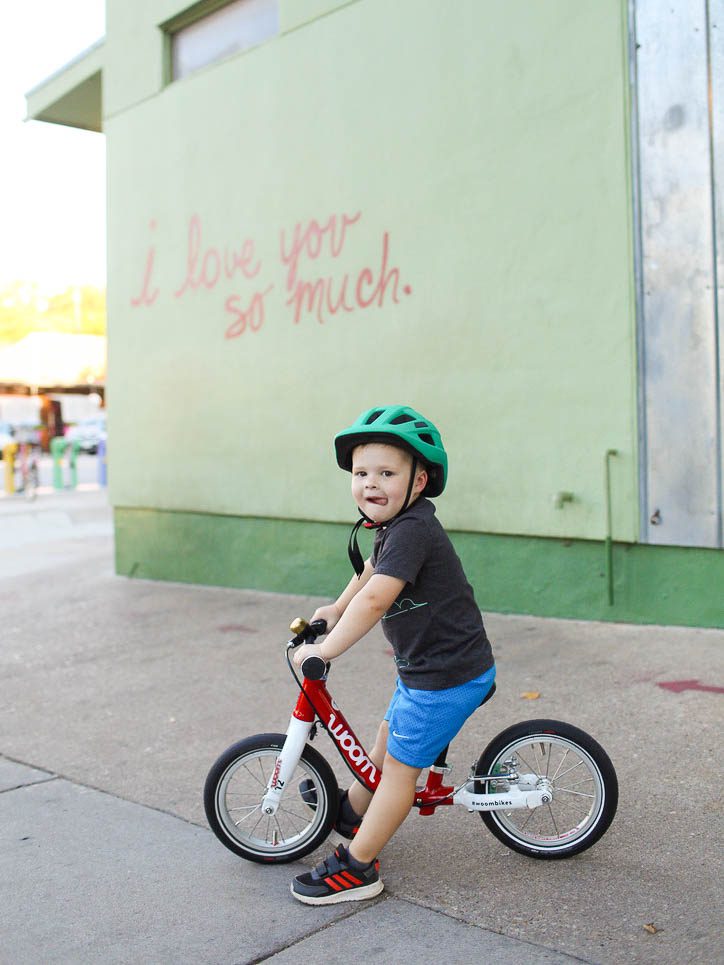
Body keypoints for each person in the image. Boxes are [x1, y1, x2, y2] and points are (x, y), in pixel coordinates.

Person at [290, 404, 495, 905]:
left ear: (419, 481)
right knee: (387, 732)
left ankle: (358, 867)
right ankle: (356, 807)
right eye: (362, 473)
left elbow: (379, 596)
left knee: (402, 770)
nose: (371, 484)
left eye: (386, 473)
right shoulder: (393, 527)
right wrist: (336, 609)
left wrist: (326, 649)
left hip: (447, 674)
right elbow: (369, 576)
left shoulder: (414, 529)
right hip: (424, 669)